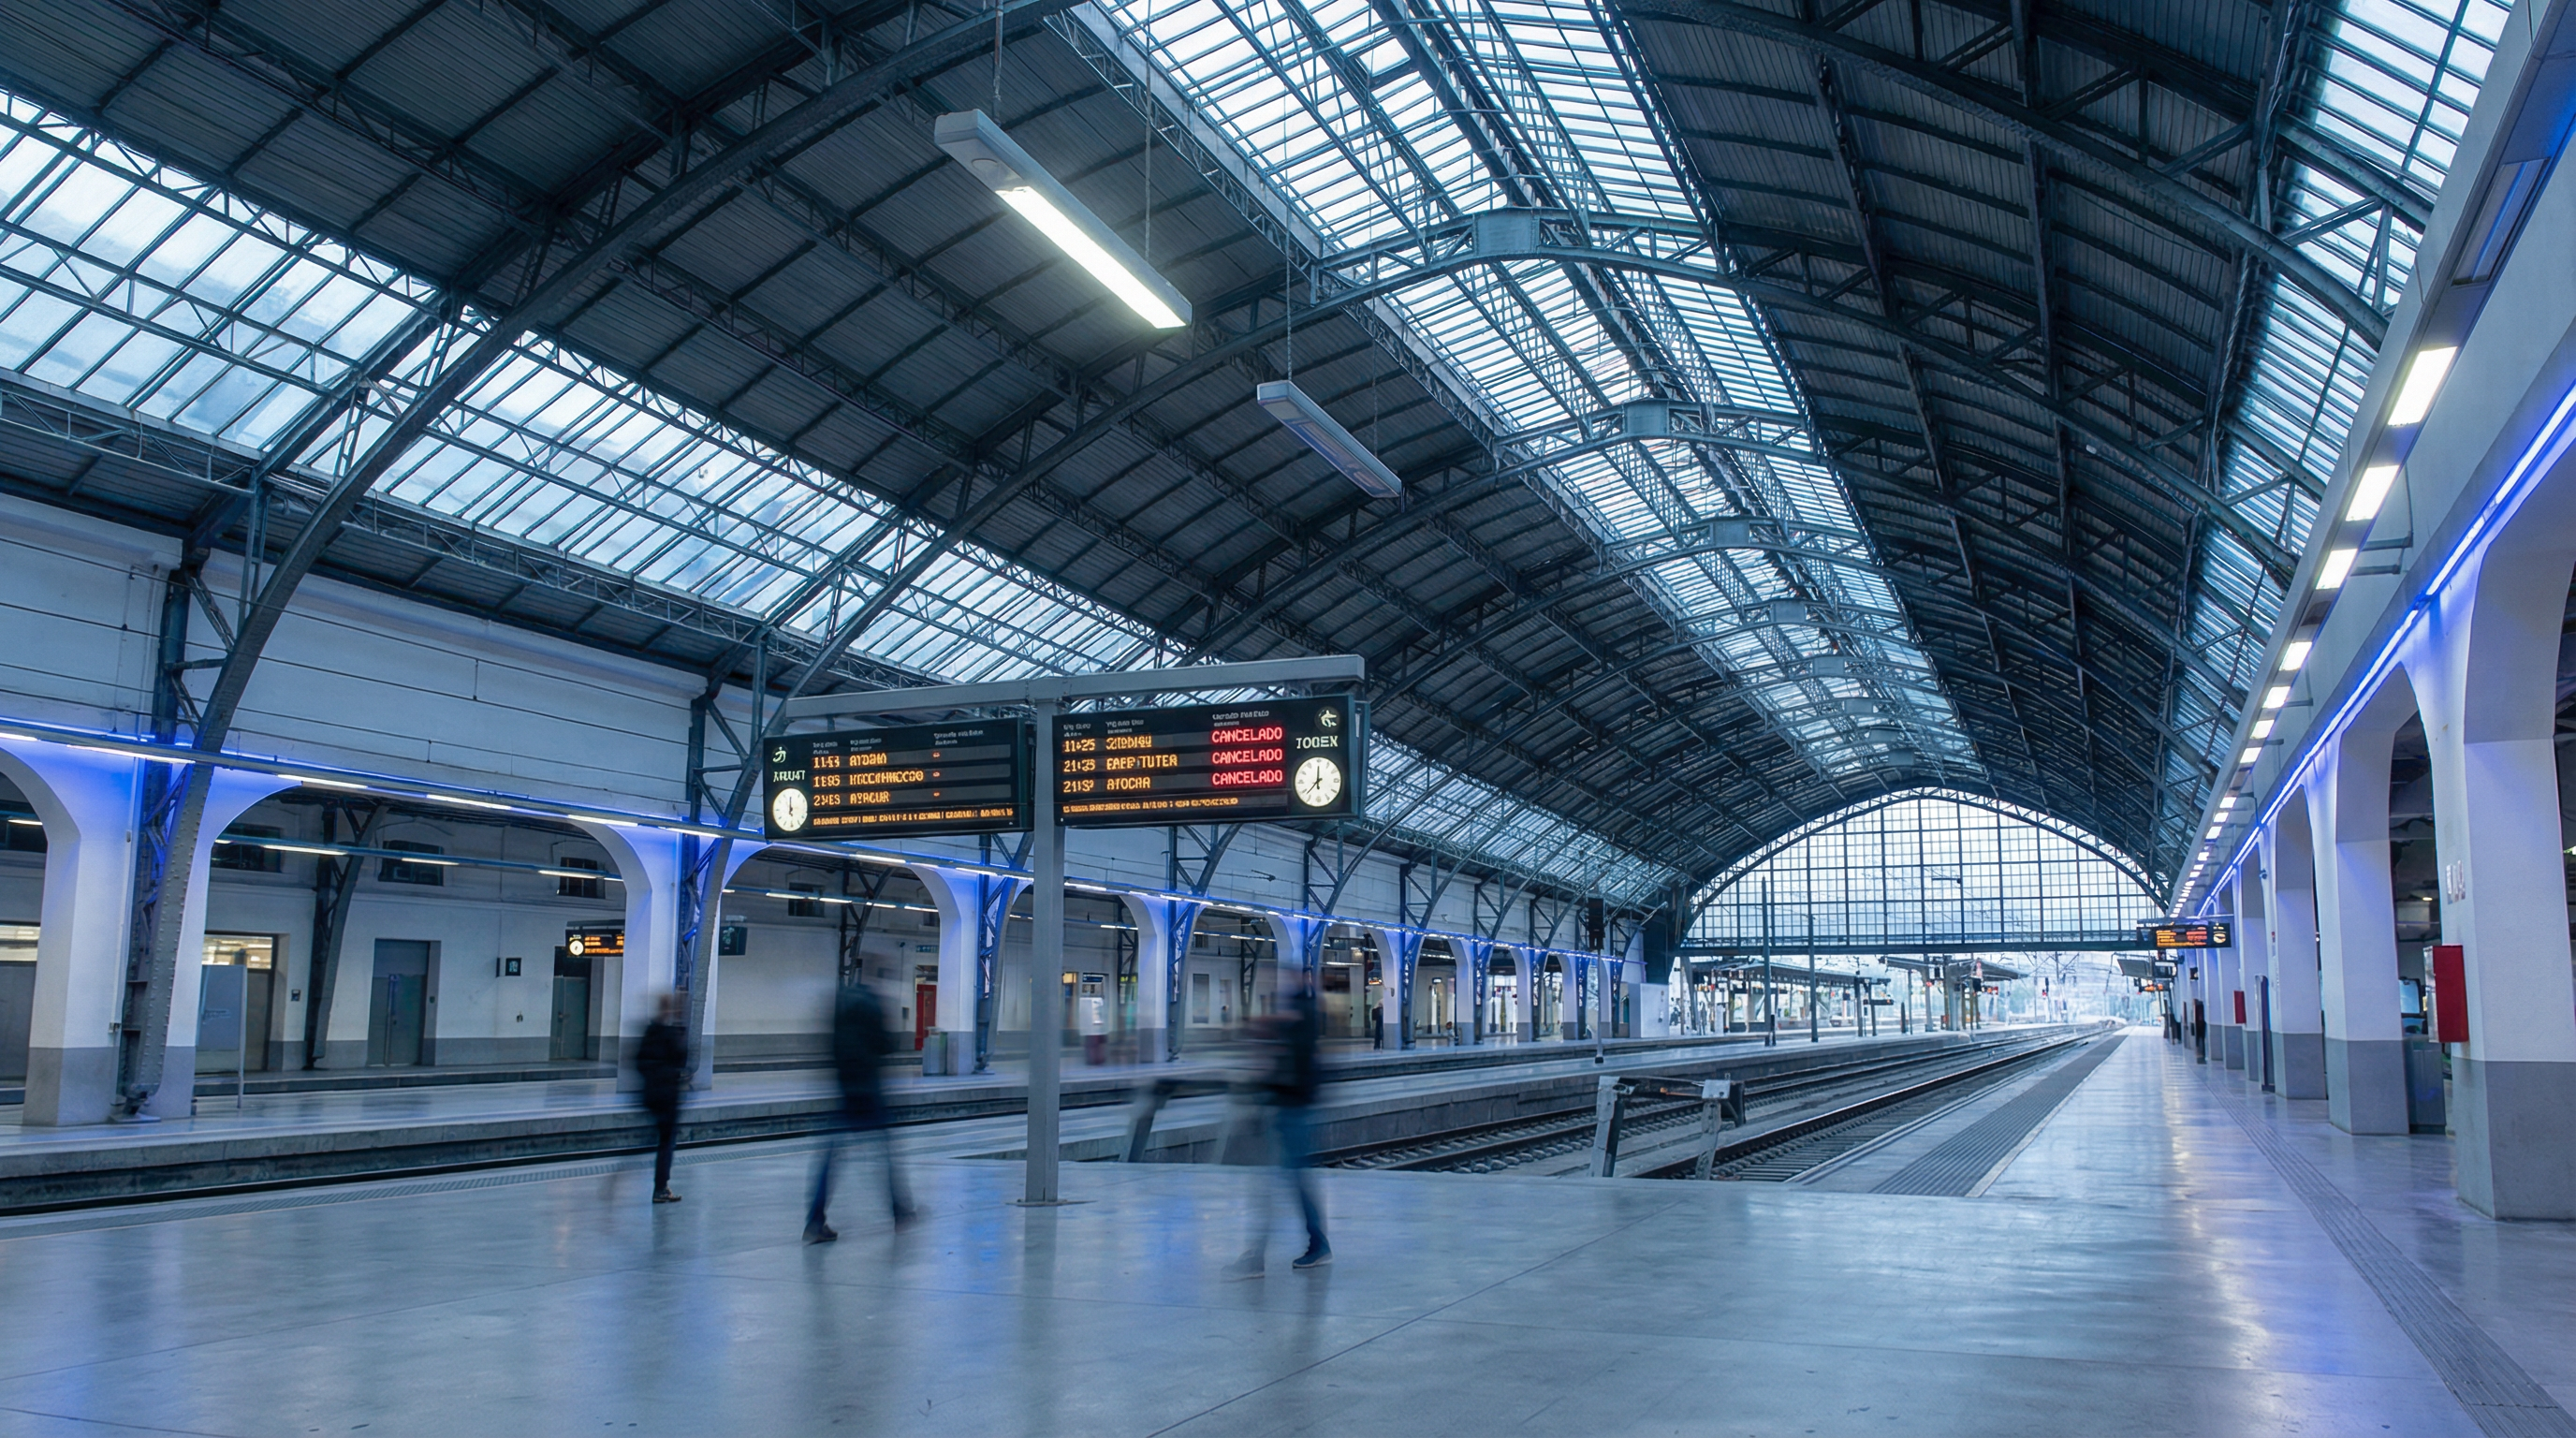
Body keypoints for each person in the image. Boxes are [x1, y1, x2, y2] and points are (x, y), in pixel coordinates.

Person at [1228, 983, 1328, 1279]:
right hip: (1289, 1113)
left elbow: (1282, 1075)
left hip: (1289, 1115)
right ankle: (1315, 1245)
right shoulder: (1302, 1035)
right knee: (1287, 1185)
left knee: (1272, 1188)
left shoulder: (1298, 1036)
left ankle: (1258, 1258)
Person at [807, 978, 914, 1242]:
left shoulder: (841, 1010)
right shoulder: (872, 1006)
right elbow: (885, 1045)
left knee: (831, 1158)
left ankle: (815, 1220)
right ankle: (900, 1212)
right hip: (869, 1091)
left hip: (846, 1090)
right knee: (887, 1155)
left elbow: (832, 1049)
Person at [636, 991, 689, 1204]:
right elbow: (681, 1058)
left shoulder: (650, 1031)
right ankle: (661, 1188)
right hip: (667, 1097)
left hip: (651, 1095)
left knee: (660, 1140)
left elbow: (639, 1062)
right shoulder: (669, 1033)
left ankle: (661, 1187)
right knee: (666, 1142)